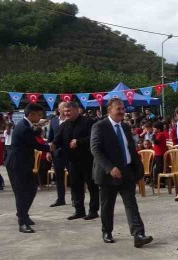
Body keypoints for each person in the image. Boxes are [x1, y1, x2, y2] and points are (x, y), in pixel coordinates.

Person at [89, 99, 152, 247]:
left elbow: (130, 148)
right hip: (108, 174)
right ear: (109, 110)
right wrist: (110, 168)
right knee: (107, 205)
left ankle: (138, 234)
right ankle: (107, 231)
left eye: (123, 109)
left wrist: (137, 168)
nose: (122, 111)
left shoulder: (125, 127)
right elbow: (95, 149)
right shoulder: (99, 126)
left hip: (126, 171)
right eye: (118, 109)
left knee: (131, 204)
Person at [5, 103, 51, 233]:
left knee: (31, 189)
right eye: (39, 115)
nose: (40, 117)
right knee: (22, 193)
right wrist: (50, 147)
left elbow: (31, 134)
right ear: (31, 115)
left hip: (24, 164)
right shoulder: (24, 127)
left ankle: (23, 213)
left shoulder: (26, 125)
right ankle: (22, 221)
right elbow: (34, 144)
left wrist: (38, 129)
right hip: (17, 164)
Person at [51, 101, 99, 221]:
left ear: (77, 110)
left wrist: (79, 142)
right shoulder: (64, 125)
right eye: (64, 111)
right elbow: (57, 139)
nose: (66, 113)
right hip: (72, 160)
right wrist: (51, 146)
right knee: (75, 186)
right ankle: (79, 210)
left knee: (91, 186)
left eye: (69, 111)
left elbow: (94, 137)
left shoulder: (88, 122)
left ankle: (93, 211)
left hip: (87, 159)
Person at [47, 103, 68, 207]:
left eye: (66, 108)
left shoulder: (70, 120)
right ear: (59, 110)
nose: (65, 110)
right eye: (63, 108)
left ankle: (75, 198)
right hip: (57, 153)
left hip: (69, 152)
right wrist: (48, 151)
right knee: (58, 177)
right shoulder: (54, 121)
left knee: (74, 176)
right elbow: (50, 137)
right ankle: (60, 198)